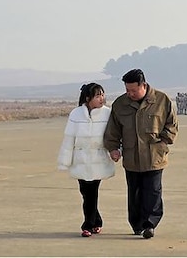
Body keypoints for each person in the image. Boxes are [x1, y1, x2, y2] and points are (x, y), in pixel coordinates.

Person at [103, 69, 178, 239]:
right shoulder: (120, 104)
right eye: (127, 90)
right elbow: (113, 130)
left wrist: (163, 141)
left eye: (133, 90)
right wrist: (113, 148)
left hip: (154, 156)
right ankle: (137, 225)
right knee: (135, 193)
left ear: (143, 85)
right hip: (132, 157)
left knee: (153, 191)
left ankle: (149, 225)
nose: (130, 94)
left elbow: (172, 125)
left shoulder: (161, 100)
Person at [57, 83, 116, 238]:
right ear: (88, 98)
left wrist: (116, 151)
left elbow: (114, 136)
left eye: (102, 94)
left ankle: (87, 225)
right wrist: (64, 160)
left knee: (91, 192)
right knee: (85, 192)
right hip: (80, 160)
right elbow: (69, 138)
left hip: (98, 159)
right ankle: (97, 221)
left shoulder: (108, 113)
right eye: (97, 96)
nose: (101, 98)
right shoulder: (76, 114)